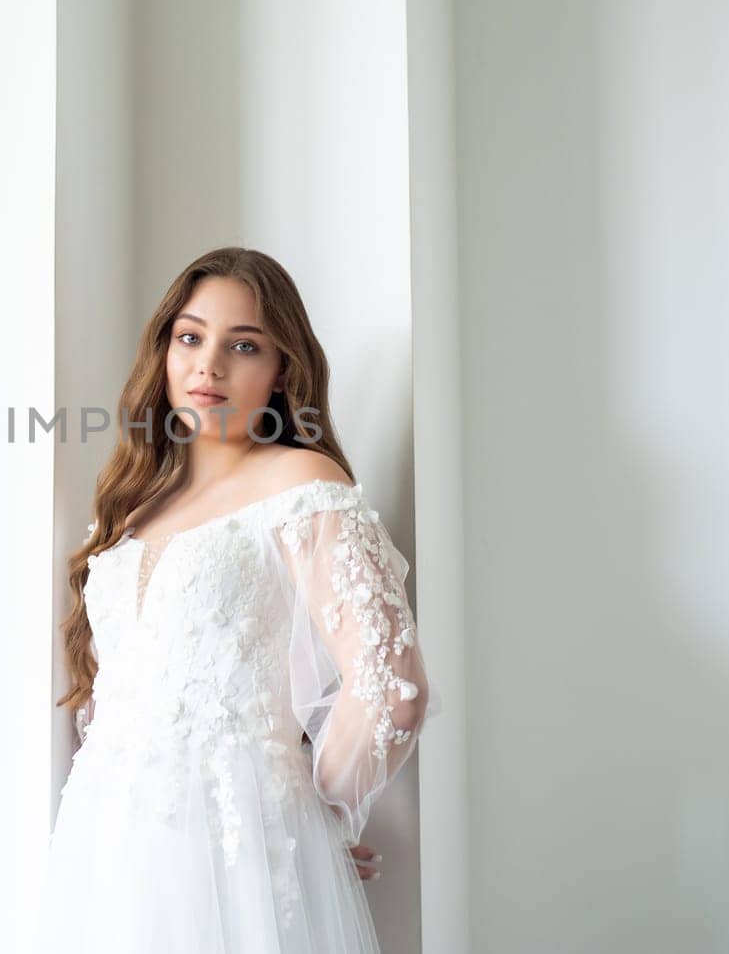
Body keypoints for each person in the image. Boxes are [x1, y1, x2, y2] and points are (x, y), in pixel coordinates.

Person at [35, 247, 441, 952]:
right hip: (103, 854)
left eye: (243, 345)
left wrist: (312, 818)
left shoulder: (300, 482)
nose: (208, 365)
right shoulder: (127, 507)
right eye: (190, 337)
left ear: (282, 368)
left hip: (237, 854)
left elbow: (392, 685)